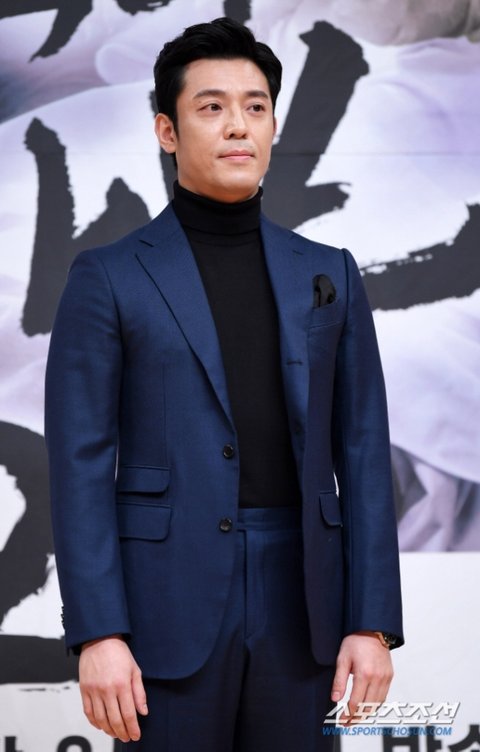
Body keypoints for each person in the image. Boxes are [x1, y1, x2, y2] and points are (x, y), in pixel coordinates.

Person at [45, 17, 403, 751]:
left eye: (255, 106)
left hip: (304, 602)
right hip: (164, 604)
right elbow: (79, 465)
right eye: (211, 107)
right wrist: (98, 631)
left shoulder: (328, 272)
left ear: (272, 125)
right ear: (167, 131)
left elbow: (365, 454)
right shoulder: (108, 276)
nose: (238, 125)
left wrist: (371, 623)